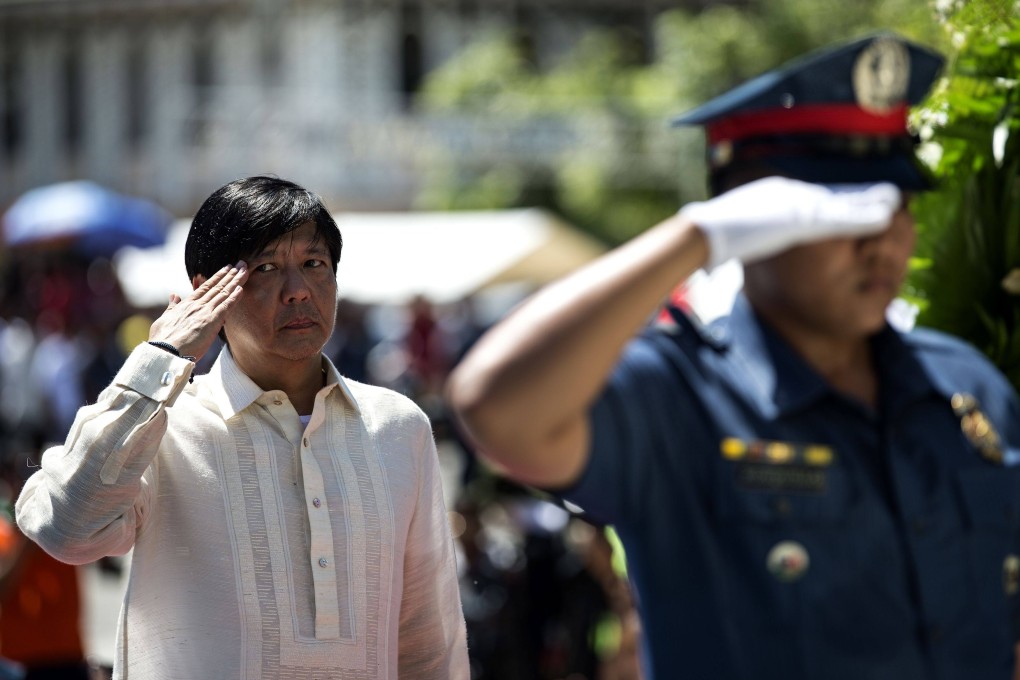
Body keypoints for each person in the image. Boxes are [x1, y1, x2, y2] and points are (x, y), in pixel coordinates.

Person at [446, 33, 1020, 680]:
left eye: (898, 204)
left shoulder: (968, 387)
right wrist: (700, 234)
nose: (881, 241)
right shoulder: (675, 396)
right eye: (839, 213)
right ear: (752, 219)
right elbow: (494, 404)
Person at [15, 176, 469, 679]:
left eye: (314, 265)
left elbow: (429, 641)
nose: (298, 291)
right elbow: (66, 530)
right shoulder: (161, 425)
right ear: (204, 292)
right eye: (267, 268)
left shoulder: (398, 427)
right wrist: (159, 360)